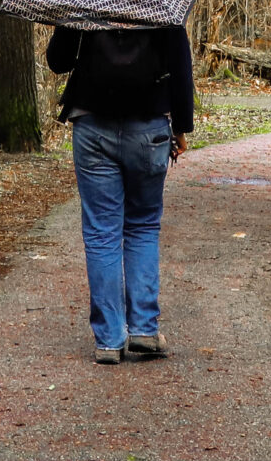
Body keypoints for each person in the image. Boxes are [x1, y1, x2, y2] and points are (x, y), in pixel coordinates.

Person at [46, 22, 195, 364]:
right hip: (149, 127)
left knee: (102, 232)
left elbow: (58, 60)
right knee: (142, 225)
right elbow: (180, 63)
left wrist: (70, 22)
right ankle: (143, 329)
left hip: (92, 124)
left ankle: (110, 339)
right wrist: (182, 126)